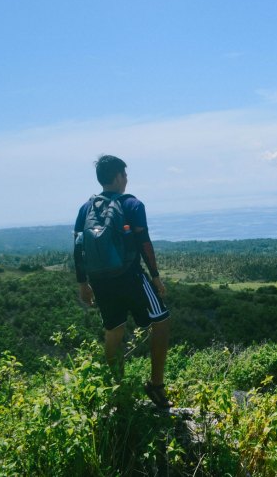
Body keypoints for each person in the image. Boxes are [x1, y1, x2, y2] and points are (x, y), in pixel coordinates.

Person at [74, 154, 172, 408]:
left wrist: (82, 283)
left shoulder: (86, 208)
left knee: (114, 331)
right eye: (125, 175)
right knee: (161, 323)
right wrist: (156, 277)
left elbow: (78, 246)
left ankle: (116, 389)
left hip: (101, 281)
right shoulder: (132, 205)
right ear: (117, 177)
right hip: (130, 277)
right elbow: (144, 244)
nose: (127, 179)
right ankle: (156, 385)